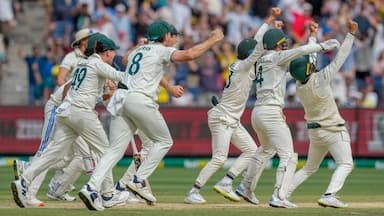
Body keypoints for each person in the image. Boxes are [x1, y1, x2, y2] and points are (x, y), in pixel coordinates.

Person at [78, 19, 223, 208]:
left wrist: (168, 86)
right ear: (165, 36)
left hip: (122, 100)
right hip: (140, 100)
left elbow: (124, 60)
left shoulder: (140, 50)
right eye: (172, 35)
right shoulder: (161, 50)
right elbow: (190, 54)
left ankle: (91, 187)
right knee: (164, 141)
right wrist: (213, 40)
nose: (174, 38)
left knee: (114, 150)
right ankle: (138, 181)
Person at [11, 36, 126, 210]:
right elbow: (122, 76)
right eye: (113, 51)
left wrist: (111, 88)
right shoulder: (97, 64)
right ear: (107, 52)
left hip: (66, 112)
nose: (114, 55)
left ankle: (24, 181)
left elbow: (100, 90)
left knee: (54, 153)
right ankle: (108, 194)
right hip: (80, 112)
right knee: (106, 151)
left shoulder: (83, 64)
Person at [235, 23, 341, 208]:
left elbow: (303, 66)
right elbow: (300, 52)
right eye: (282, 43)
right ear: (275, 45)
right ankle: (279, 196)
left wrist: (313, 37)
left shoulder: (262, 62)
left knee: (265, 150)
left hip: (257, 112)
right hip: (270, 112)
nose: (284, 46)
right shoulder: (276, 58)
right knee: (289, 156)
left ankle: (245, 187)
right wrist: (322, 45)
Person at [184, 7, 281, 204]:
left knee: (252, 151)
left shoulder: (244, 66)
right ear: (250, 54)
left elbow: (257, 42)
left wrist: (270, 20)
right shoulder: (244, 66)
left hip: (231, 119)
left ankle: (227, 181)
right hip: (222, 118)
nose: (258, 54)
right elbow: (260, 46)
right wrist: (270, 27)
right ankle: (193, 192)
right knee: (220, 158)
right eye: (254, 52)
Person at [12, 28, 97, 206]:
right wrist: (73, 99)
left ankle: (28, 169)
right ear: (83, 41)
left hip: (74, 110)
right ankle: (29, 192)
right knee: (47, 150)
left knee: (70, 156)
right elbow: (62, 81)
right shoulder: (71, 58)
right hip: (59, 107)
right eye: (91, 39)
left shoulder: (91, 61)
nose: (95, 43)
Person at [286, 20, 357, 208]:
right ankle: (329, 194)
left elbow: (309, 60)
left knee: (309, 168)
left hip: (315, 133)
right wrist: (351, 35)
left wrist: (313, 35)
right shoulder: (321, 79)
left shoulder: (298, 86)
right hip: (333, 130)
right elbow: (340, 57)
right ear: (309, 70)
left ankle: (282, 193)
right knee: (346, 164)